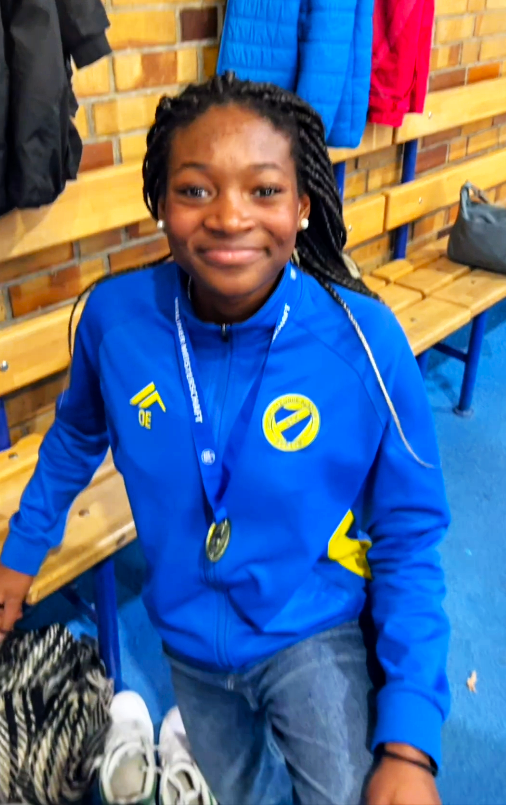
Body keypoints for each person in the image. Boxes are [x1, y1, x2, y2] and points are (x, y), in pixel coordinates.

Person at [0, 73, 450, 805]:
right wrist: (20, 556)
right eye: (196, 189)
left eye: (264, 190)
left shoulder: (364, 341)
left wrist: (409, 741)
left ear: (303, 206)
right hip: (186, 640)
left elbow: (410, 533)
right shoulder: (116, 320)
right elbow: (76, 435)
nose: (230, 216)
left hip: (309, 624)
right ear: (159, 202)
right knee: (243, 792)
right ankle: (185, 738)